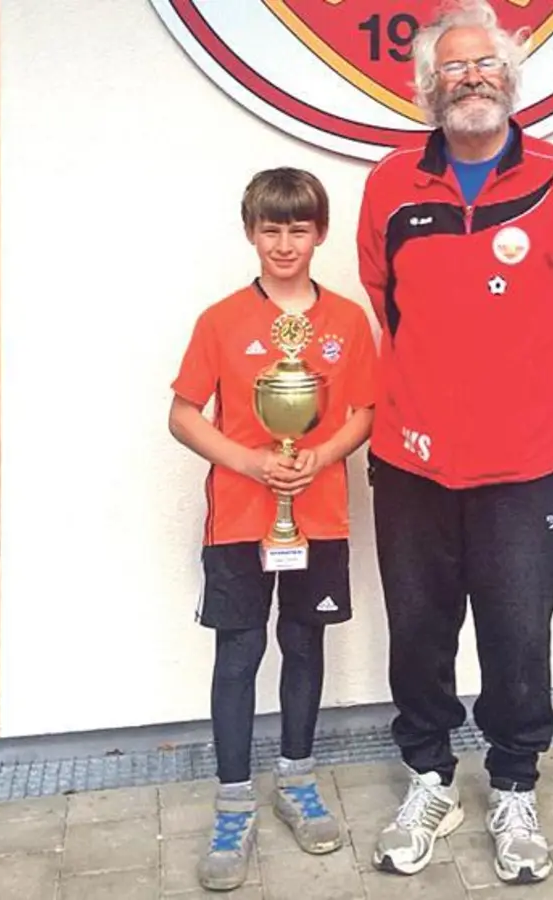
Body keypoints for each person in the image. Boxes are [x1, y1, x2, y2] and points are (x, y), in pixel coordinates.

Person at [354, 0, 553, 884]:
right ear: (429, 87)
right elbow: (387, 299)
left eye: (487, 65)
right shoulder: (392, 184)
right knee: (419, 633)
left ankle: (513, 787)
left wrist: (519, 364)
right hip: (413, 461)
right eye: (454, 68)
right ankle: (429, 777)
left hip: (526, 466)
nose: (471, 79)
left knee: (517, 636)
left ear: (511, 79)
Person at [168, 167, 377, 892]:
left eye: (298, 229)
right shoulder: (221, 319)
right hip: (240, 517)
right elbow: (184, 413)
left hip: (316, 515)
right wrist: (252, 463)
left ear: (320, 233)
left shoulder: (348, 321)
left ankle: (296, 779)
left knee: (303, 643)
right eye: (270, 228)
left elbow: (362, 413)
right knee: (239, 652)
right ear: (250, 231)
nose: (284, 244)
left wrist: (319, 453)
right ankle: (232, 802)